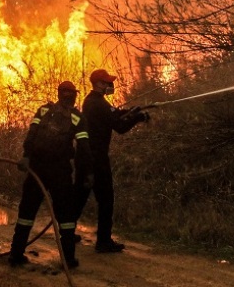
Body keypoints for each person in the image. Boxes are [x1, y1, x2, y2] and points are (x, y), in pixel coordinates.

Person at [9, 81, 92, 269]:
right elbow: (84, 149)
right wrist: (87, 173)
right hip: (59, 172)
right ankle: (68, 259)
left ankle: (15, 254)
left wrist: (26, 157)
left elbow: (31, 135)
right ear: (74, 96)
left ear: (58, 94)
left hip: (36, 169)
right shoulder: (77, 118)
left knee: (27, 212)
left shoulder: (44, 111)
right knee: (66, 216)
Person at [73, 68, 149, 253]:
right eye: (107, 82)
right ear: (98, 84)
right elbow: (120, 126)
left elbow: (114, 114)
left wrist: (131, 111)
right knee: (106, 199)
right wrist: (137, 118)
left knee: (80, 197)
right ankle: (103, 242)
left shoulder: (93, 102)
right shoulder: (97, 104)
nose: (110, 85)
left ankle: (66, 232)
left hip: (85, 158)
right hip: (96, 159)